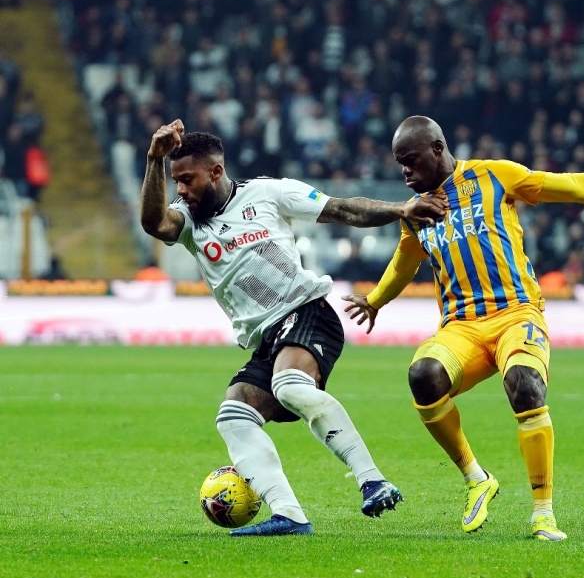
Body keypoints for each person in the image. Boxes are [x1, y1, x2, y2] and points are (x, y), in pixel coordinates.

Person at [343, 116, 584, 540]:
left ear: (437, 148)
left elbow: (573, 186)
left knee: (525, 386)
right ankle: (476, 478)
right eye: (399, 165)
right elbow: (404, 262)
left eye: (410, 162)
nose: (405, 173)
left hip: (516, 315)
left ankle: (543, 513)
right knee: (423, 377)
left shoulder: (494, 176)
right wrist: (375, 300)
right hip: (461, 328)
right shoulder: (414, 212)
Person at [140, 120, 446, 537]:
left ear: (215, 172)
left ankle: (373, 480)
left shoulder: (268, 193)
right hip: (268, 338)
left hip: (307, 312)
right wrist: (155, 159)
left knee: (289, 386)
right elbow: (154, 223)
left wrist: (399, 210)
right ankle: (289, 516)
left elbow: (343, 208)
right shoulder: (188, 221)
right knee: (234, 416)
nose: (181, 190)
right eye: (176, 181)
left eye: (187, 180)